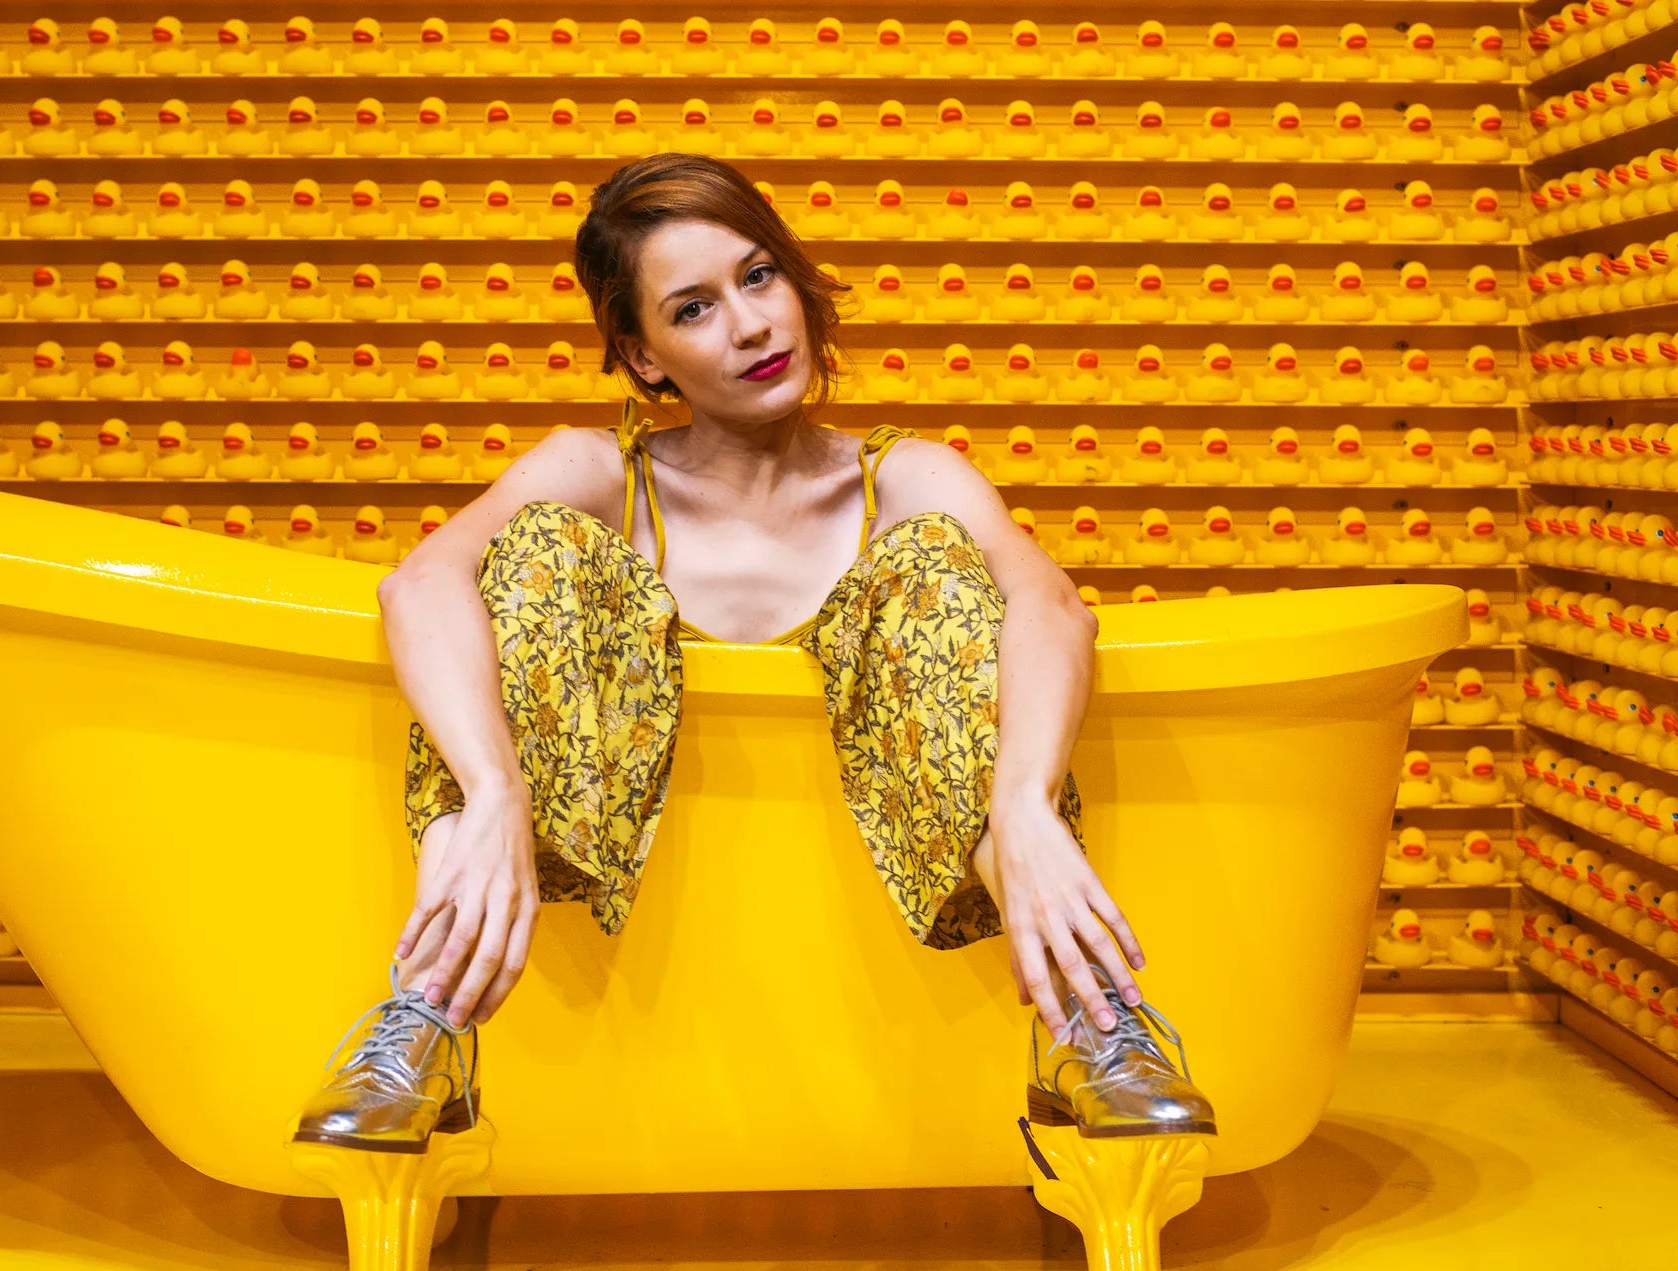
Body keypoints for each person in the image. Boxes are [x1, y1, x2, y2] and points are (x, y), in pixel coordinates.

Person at [294, 154, 1214, 1155]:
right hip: (615, 931)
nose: (748, 325)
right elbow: (416, 584)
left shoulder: (902, 479)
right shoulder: (598, 473)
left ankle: (1085, 1026)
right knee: (525, 554)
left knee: (944, 568)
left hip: (852, 961)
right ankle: (428, 1019)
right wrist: (493, 791)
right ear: (642, 357)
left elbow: (1051, 606)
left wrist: (1024, 803)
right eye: (690, 309)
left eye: (759, 274)